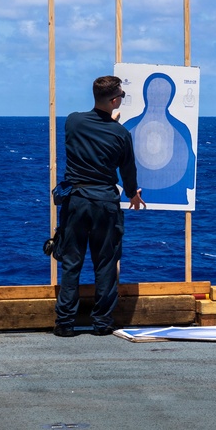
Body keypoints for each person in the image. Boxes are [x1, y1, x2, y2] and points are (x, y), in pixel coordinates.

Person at [54, 75, 146, 337]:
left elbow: (90, 131)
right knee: (105, 264)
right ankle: (102, 324)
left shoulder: (73, 121)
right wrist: (132, 194)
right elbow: (128, 170)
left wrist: (108, 122)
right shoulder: (121, 134)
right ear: (115, 101)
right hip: (105, 203)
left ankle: (65, 324)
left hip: (76, 201)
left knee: (72, 263)